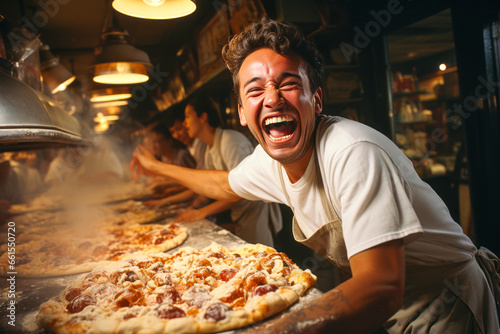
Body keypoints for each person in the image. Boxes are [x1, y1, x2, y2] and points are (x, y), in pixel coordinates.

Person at [131, 18, 500, 333]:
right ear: (242, 112)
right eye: (255, 89)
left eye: (288, 83)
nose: (272, 98)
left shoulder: (352, 152)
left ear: (317, 99)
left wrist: (277, 329)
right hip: (389, 304)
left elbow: (382, 285)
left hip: (447, 301)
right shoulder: (269, 160)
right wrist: (155, 167)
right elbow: (222, 184)